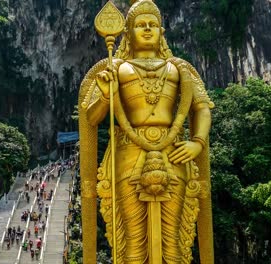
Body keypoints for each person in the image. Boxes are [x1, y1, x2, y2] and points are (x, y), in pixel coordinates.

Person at [80, 0, 213, 263]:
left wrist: (197, 142)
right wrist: (106, 96)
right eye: (140, 25)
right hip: (129, 153)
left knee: (173, 243)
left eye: (153, 24)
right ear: (128, 33)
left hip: (173, 152)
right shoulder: (115, 68)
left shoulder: (179, 68)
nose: (148, 29)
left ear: (162, 32)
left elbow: (202, 108)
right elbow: (91, 118)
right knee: (133, 244)